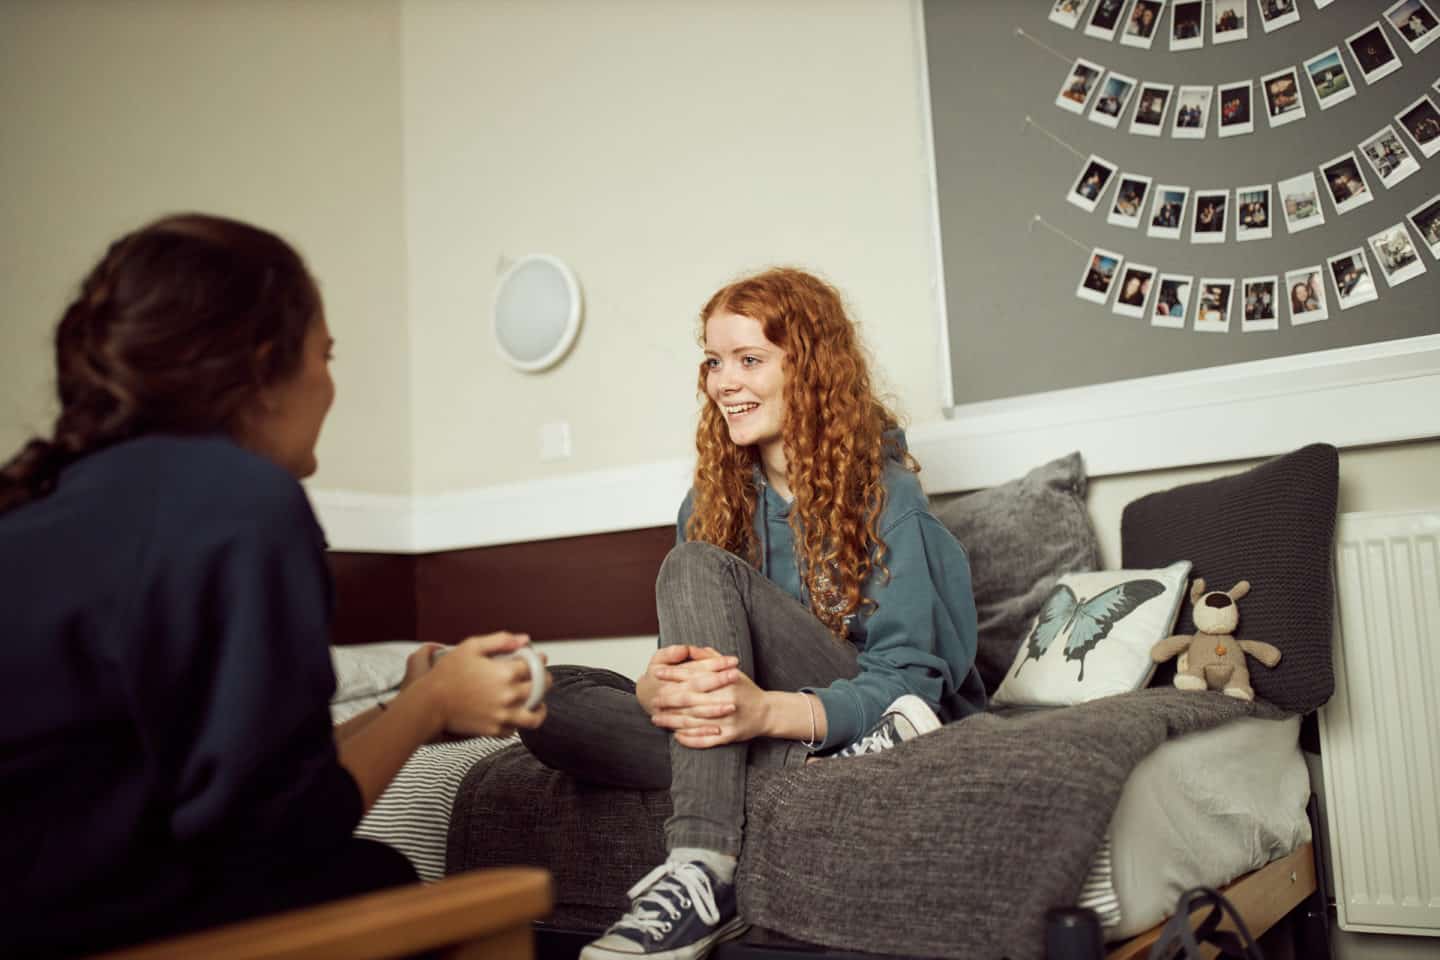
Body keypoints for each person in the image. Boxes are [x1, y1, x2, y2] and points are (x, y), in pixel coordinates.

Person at [0, 214, 549, 957]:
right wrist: (428, 706)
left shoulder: (40, 502)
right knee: (382, 876)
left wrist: (404, 702)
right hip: (109, 929)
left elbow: (231, 789)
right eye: (325, 355)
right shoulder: (237, 500)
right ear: (263, 371)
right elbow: (283, 833)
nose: (329, 384)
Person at [519, 267, 985, 960]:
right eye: (713, 361)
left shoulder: (887, 495)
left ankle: (703, 868)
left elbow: (913, 685)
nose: (723, 382)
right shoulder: (708, 505)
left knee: (695, 564)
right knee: (543, 698)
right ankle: (820, 762)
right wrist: (658, 688)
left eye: (749, 360)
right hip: (756, 714)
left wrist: (764, 713)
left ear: (812, 368)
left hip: (846, 692)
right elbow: (690, 663)